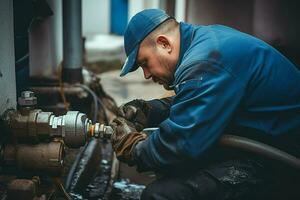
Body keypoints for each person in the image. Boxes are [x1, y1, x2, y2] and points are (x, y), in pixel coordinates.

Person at [110, 9, 300, 200]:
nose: (146, 74)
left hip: (282, 161)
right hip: (264, 139)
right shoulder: (205, 41)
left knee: (160, 195)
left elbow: (180, 144)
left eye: (145, 63)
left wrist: (135, 148)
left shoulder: (204, 61)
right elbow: (198, 100)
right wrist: (150, 111)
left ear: (164, 43)